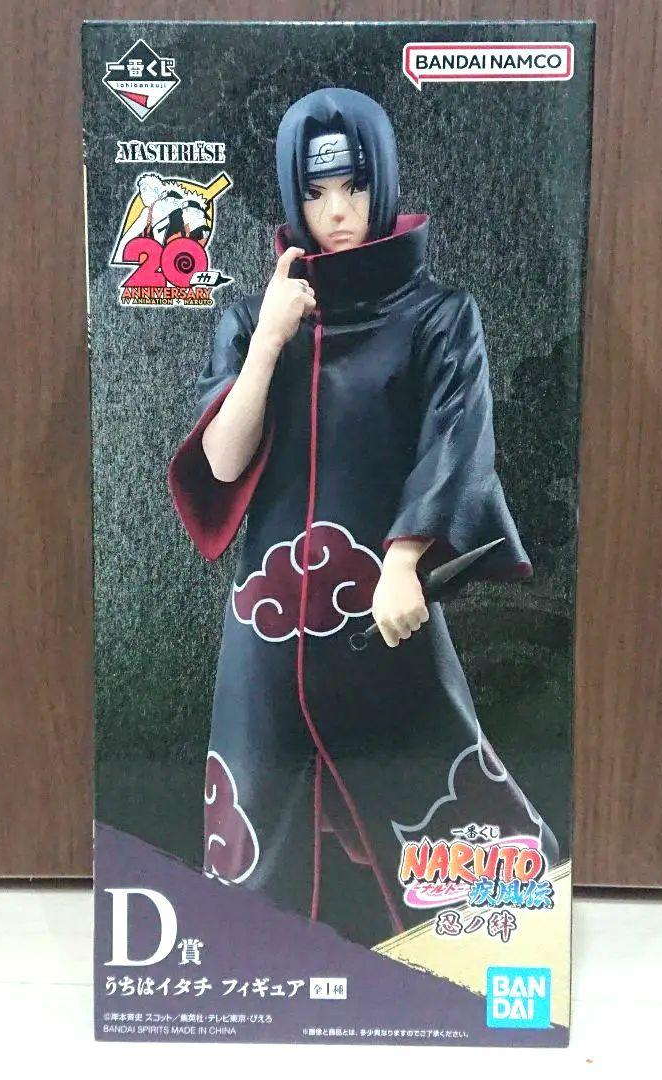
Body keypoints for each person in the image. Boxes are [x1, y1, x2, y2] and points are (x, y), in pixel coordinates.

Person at [168, 87, 558, 946]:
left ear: (382, 183)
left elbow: (455, 440)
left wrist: (405, 559)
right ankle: (262, 976)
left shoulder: (438, 318)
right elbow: (222, 461)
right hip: (269, 632)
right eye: (316, 193)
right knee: (257, 833)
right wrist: (268, 342)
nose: (337, 212)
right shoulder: (251, 319)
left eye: (354, 187)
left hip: (384, 610)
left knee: (446, 800)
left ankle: (491, 960)